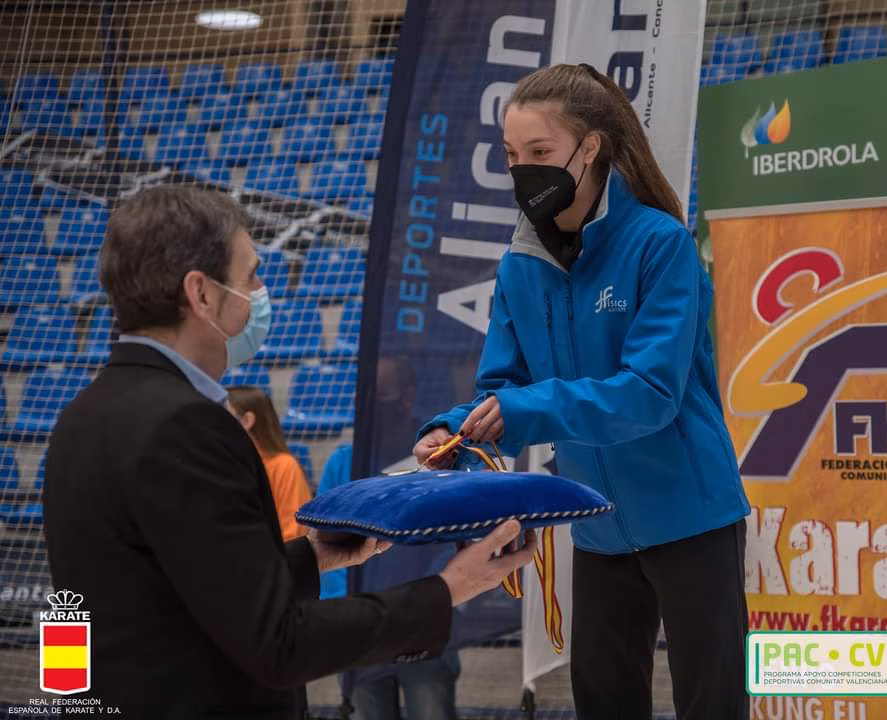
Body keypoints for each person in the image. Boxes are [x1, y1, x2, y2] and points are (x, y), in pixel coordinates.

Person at [43, 185, 535, 720]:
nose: (261, 290)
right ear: (201, 293)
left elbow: (184, 588)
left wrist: (314, 556)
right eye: (250, 275)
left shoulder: (82, 414)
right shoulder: (185, 424)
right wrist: (446, 590)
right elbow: (278, 643)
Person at [413, 64, 751, 720]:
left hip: (692, 516)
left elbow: (649, 394)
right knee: (602, 702)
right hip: (597, 526)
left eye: (539, 152)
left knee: (713, 705)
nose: (523, 171)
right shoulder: (520, 264)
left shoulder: (660, 244)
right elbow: (503, 388)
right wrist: (452, 428)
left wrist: (521, 410)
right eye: (512, 156)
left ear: (589, 147)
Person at [318, 442, 460, 720]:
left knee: (431, 709)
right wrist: (343, 615)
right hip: (360, 625)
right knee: (369, 710)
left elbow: (451, 537)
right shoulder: (345, 460)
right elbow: (324, 536)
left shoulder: (437, 457)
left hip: (422, 618)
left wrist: (441, 595)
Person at [226, 385, 311, 542]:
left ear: (246, 421)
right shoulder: (222, 463)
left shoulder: (284, 466)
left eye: (223, 415)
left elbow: (294, 532)